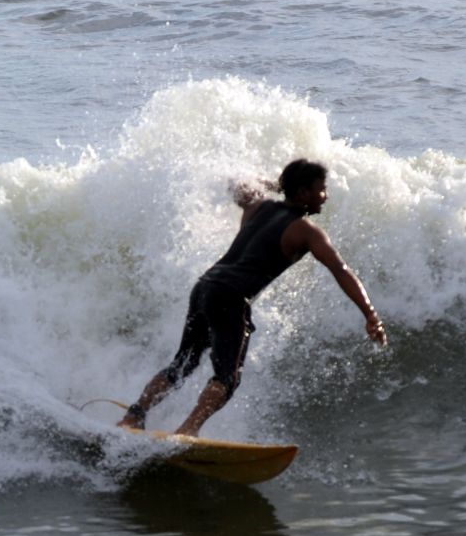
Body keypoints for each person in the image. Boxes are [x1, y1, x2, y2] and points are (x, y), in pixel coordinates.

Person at [118, 159, 387, 436]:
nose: (325, 196)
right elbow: (341, 270)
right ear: (304, 193)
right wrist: (371, 315)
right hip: (230, 297)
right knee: (227, 379)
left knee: (183, 363)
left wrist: (277, 186)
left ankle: (133, 416)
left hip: (205, 287)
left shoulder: (258, 207)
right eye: (322, 189)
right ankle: (187, 431)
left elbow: (236, 181)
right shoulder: (306, 232)